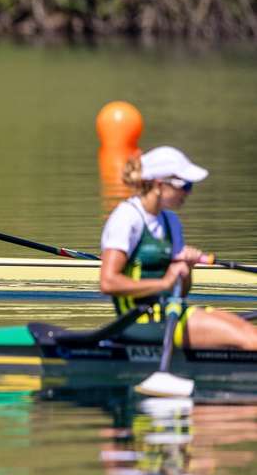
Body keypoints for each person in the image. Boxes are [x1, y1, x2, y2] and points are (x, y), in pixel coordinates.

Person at [99, 146, 257, 350]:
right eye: (185, 185)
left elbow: (180, 292)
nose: (188, 192)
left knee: (250, 332)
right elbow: (108, 283)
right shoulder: (126, 218)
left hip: (172, 313)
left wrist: (187, 268)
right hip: (137, 322)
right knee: (251, 340)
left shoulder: (171, 221)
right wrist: (164, 283)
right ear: (159, 184)